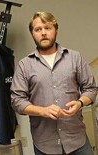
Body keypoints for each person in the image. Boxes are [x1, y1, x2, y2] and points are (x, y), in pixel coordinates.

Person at [10, 12, 97, 155]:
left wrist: (80, 103)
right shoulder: (24, 65)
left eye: (47, 28)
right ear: (32, 33)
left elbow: (91, 89)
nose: (43, 33)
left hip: (77, 140)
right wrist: (42, 111)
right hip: (44, 144)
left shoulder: (75, 58)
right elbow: (16, 101)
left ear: (56, 30)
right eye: (38, 29)